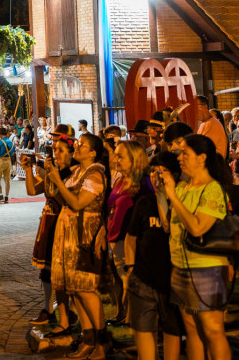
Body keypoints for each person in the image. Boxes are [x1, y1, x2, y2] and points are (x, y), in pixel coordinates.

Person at [155, 134, 232, 360]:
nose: (180, 158)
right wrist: (162, 194)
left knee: (212, 330)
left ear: (201, 158)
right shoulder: (184, 187)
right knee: (191, 327)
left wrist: (172, 195)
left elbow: (197, 228)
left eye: (185, 153)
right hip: (180, 266)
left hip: (206, 269)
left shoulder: (212, 189)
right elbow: (168, 227)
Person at [46, 133, 110, 359]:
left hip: (84, 235)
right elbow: (58, 198)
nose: (77, 147)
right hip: (68, 233)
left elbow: (77, 202)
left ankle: (101, 340)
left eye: (82, 145)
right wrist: (52, 176)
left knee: (86, 287)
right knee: (74, 289)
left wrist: (57, 181)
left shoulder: (95, 173)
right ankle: (88, 336)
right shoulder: (75, 172)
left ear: (93, 152)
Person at [125, 151, 183, 360]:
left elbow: (169, 226)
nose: (155, 176)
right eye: (152, 172)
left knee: (172, 328)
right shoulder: (144, 202)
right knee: (143, 329)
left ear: (175, 175)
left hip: (172, 280)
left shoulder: (181, 202)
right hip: (143, 277)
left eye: (161, 171)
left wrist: (165, 195)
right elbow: (131, 239)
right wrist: (129, 269)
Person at [21, 131, 77, 332]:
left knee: (63, 271)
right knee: (46, 269)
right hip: (49, 219)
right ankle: (48, 308)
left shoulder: (73, 172)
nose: (55, 151)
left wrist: (52, 177)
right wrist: (28, 170)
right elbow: (32, 190)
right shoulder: (52, 170)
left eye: (59, 148)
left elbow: (66, 200)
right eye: (54, 147)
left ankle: (69, 311)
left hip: (64, 222)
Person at [107, 140, 149, 326]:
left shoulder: (144, 184)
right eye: (116, 155)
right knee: (121, 278)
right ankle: (125, 315)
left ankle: (131, 318)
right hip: (115, 237)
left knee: (129, 279)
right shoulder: (121, 180)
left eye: (120, 156)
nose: (116, 159)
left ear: (134, 159)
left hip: (130, 239)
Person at [0, 126, 15, 203]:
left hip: (0, 161)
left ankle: (0, 195)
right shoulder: (11, 142)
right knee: (7, 180)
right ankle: (6, 197)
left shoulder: (0, 142)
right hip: (8, 161)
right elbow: (13, 153)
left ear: (0, 134)